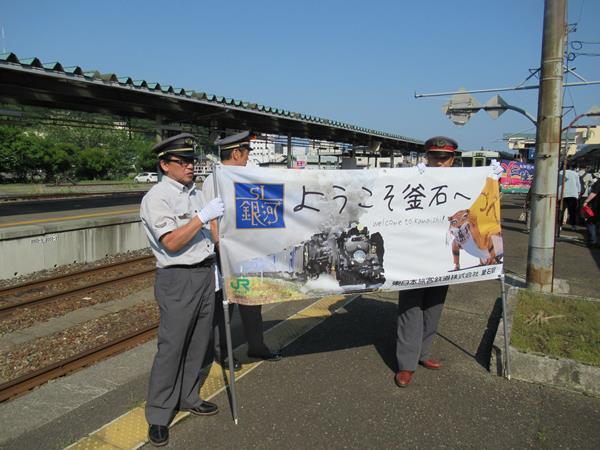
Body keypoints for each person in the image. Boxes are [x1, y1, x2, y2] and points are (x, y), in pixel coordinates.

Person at [140, 133, 225, 447]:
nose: (190, 166)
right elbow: (172, 242)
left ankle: (189, 396)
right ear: (165, 164)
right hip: (178, 278)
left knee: (198, 343)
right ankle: (160, 413)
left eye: (192, 160)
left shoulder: (195, 193)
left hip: (204, 274)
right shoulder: (157, 198)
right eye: (183, 161)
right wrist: (201, 217)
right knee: (172, 346)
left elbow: (211, 232)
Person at [203, 130, 282, 367]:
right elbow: (212, 221)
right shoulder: (214, 180)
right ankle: (223, 353)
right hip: (226, 253)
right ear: (236, 153)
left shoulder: (245, 177)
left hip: (249, 251)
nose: (248, 157)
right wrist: (221, 249)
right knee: (225, 306)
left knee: (252, 301)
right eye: (246, 152)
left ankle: (257, 346)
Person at [395, 136, 458, 388]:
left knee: (434, 305)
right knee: (410, 307)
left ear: (453, 159)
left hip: (443, 254)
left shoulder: (466, 181)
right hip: (414, 253)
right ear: (426, 158)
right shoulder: (412, 179)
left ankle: (423, 353)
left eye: (444, 158)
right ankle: (406, 364)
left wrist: (491, 180)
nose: (439, 162)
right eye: (434, 157)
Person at [557, 165, 581, 232]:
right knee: (572, 211)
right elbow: (578, 184)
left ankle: (559, 225)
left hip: (562, 194)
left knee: (561, 210)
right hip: (573, 194)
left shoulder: (560, 173)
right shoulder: (575, 174)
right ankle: (573, 226)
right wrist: (578, 192)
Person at [582, 175, 600, 247]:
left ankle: (593, 241)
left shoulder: (599, 182)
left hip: (597, 206)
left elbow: (594, 193)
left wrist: (586, 201)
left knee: (591, 222)